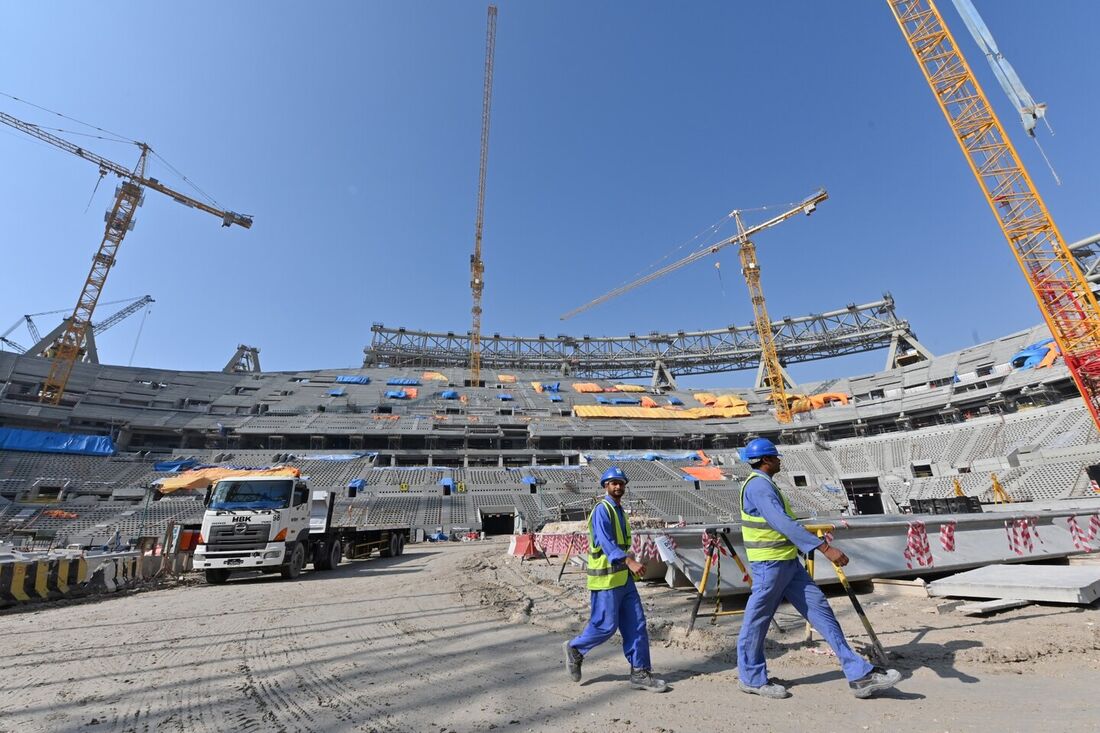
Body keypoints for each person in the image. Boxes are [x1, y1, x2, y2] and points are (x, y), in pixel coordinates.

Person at [736, 438, 901, 700]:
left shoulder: (765, 485)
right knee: (756, 622)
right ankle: (752, 678)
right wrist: (826, 549)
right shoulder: (758, 487)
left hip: (788, 564)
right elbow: (783, 524)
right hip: (769, 566)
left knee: (822, 614)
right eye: (776, 457)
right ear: (766, 460)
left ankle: (859, 674)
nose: (780, 461)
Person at [562, 467, 668, 692]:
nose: (618, 486)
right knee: (605, 627)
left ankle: (640, 672)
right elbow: (606, 542)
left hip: (623, 579)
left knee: (637, 625)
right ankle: (576, 649)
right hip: (606, 581)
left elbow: (621, 544)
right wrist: (629, 562)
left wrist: (633, 561)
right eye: (613, 483)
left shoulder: (620, 511)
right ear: (605, 486)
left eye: (621, 483)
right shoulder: (603, 509)